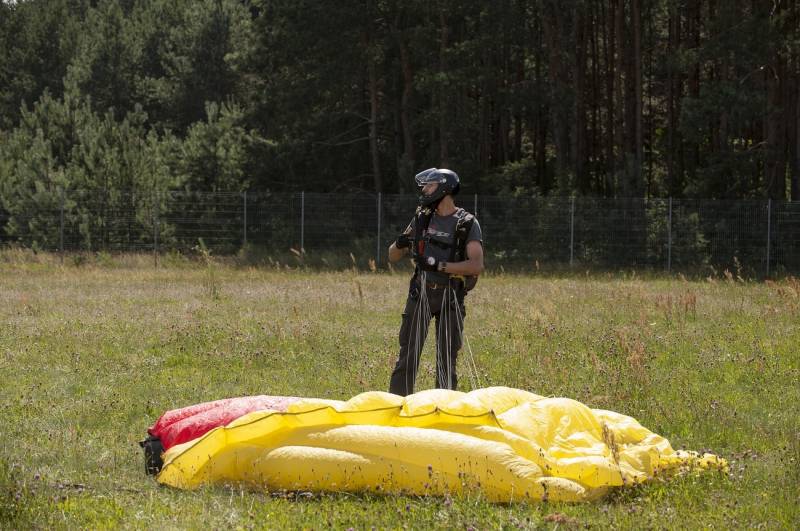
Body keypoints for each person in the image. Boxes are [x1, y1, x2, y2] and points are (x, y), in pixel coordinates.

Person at [387, 168, 484, 396]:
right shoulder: (422, 218)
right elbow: (392, 256)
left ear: (444, 188)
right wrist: (400, 243)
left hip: (450, 297)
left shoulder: (466, 223)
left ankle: (444, 408)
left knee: (446, 360)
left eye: (429, 186)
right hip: (420, 294)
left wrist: (439, 265)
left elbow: (476, 265)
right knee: (407, 357)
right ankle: (398, 406)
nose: (424, 190)